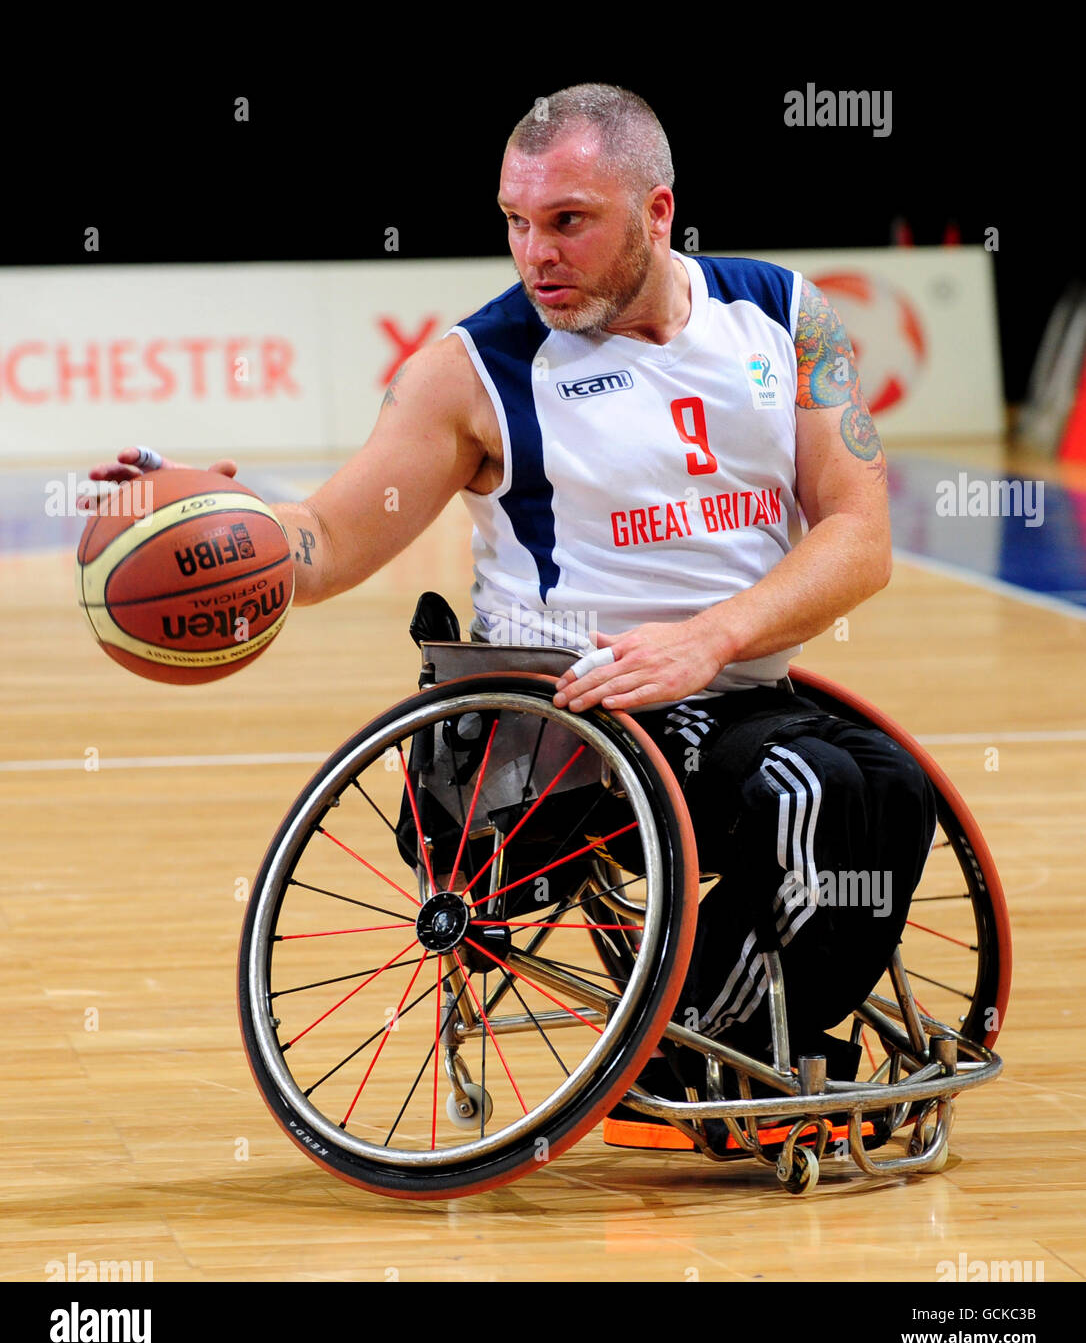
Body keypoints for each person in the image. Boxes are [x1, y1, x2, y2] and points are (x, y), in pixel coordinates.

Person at [88, 83, 936, 1151]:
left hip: (729, 686)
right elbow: (329, 544)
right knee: (813, 795)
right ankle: (693, 1059)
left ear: (659, 211)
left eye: (568, 220)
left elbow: (860, 536)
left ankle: (748, 1039)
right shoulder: (473, 371)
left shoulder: (785, 314)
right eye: (516, 222)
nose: (536, 253)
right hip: (563, 722)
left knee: (892, 790)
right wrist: (227, 521)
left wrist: (712, 637)